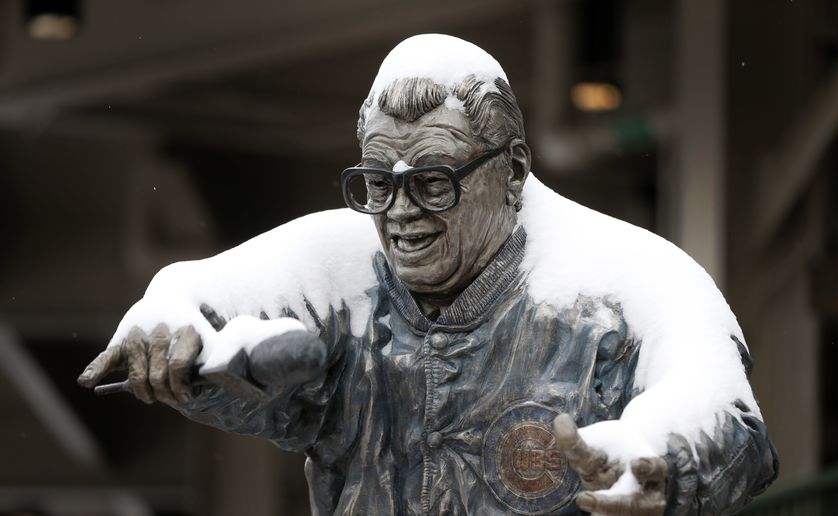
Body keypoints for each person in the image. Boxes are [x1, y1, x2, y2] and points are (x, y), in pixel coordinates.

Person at [78, 34, 778, 515]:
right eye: (378, 181)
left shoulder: (621, 285)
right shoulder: (340, 270)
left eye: (433, 180)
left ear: (511, 171)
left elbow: (721, 408)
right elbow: (201, 294)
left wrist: (659, 459)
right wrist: (170, 316)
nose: (399, 211)